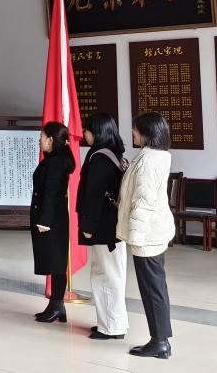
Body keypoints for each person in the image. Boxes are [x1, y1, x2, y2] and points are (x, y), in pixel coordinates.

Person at [117, 112, 176, 359]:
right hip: (154, 231)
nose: (133, 133)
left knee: (152, 290)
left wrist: (136, 236)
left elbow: (143, 202)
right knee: (156, 288)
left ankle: (160, 342)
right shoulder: (154, 156)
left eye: (136, 129)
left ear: (147, 132)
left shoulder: (149, 161)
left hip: (147, 234)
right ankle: (160, 339)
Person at [77, 112, 129, 340]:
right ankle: (113, 324)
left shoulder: (99, 157)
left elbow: (94, 195)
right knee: (113, 274)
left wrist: (88, 225)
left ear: (97, 132)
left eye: (87, 129)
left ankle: (111, 327)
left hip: (103, 226)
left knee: (105, 275)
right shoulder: (115, 154)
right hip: (113, 225)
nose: (84, 134)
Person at [30, 121, 74, 324]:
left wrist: (44, 220)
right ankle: (57, 305)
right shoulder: (54, 159)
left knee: (56, 262)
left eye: (42, 136)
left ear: (50, 140)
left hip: (52, 219)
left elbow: (51, 193)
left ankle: (57, 305)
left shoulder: (56, 162)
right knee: (55, 261)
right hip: (53, 217)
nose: (39, 140)